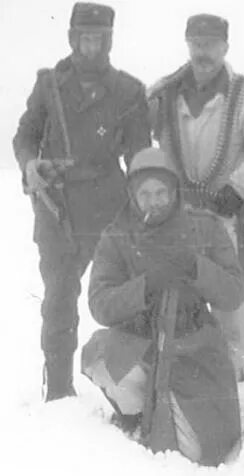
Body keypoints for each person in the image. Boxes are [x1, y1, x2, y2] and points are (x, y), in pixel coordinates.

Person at [12, 2, 150, 401]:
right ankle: (58, 391)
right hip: (57, 209)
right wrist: (30, 164)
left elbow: (140, 154)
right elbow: (25, 136)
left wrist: (144, 206)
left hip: (110, 207)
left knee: (124, 296)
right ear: (72, 38)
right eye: (84, 38)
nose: (90, 47)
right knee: (58, 297)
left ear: (108, 41)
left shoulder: (128, 90)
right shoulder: (48, 85)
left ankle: (132, 388)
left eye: (98, 39)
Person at [81, 147, 244, 466]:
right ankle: (137, 410)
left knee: (201, 452)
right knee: (97, 355)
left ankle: (170, 406)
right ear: (132, 195)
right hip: (141, 344)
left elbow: (235, 292)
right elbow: (100, 304)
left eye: (161, 192)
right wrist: (144, 287)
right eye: (145, 194)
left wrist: (195, 267)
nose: (153, 201)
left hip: (194, 348)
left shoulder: (204, 227)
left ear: (174, 192)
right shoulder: (117, 236)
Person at [147, 14, 244, 379]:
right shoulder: (164, 92)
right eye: (197, 43)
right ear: (187, 44)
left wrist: (238, 188)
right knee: (180, 293)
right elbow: (136, 130)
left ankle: (233, 369)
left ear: (225, 47)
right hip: (181, 214)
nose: (203, 51)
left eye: (211, 43)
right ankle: (187, 367)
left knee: (235, 298)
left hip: (232, 216)